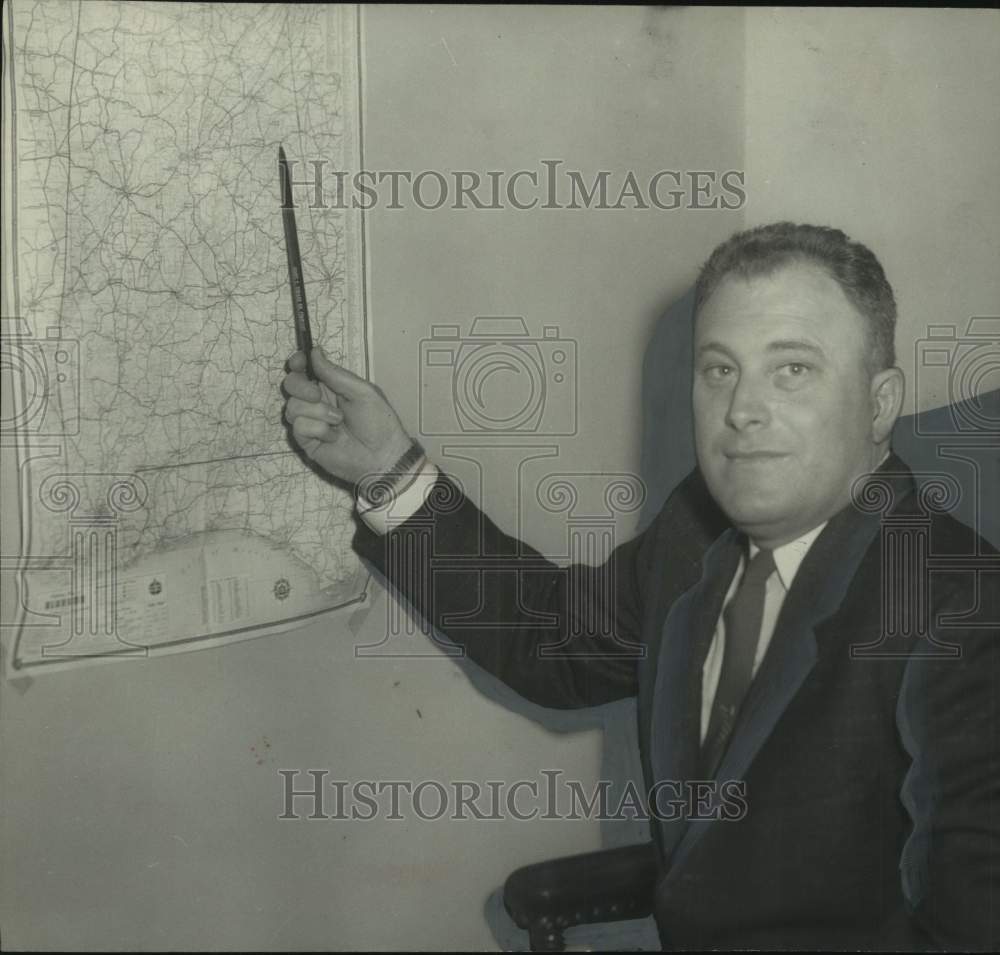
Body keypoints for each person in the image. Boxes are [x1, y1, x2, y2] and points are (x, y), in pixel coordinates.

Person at [281, 222, 998, 951]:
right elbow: (550, 637)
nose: (741, 410)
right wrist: (387, 469)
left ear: (880, 405)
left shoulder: (958, 606)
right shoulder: (698, 531)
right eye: (719, 369)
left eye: (792, 370)